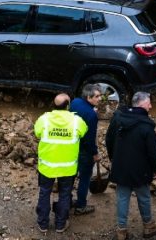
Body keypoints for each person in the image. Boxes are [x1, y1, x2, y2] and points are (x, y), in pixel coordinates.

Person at [105, 92, 156, 240]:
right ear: (142, 104)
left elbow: (108, 139)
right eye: (149, 103)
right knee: (144, 197)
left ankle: (121, 231)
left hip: (121, 167)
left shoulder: (118, 119)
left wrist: (114, 158)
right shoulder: (146, 126)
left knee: (122, 198)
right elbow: (153, 152)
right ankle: (149, 226)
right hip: (141, 170)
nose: (151, 106)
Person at [34, 93, 88, 233]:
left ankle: (43, 224)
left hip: (47, 167)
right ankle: (60, 224)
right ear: (68, 106)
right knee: (64, 195)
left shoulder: (44, 119)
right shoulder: (77, 121)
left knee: (44, 193)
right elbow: (84, 131)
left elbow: (37, 133)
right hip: (67, 168)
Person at [70, 84, 103, 215]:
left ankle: (67, 201)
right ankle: (81, 206)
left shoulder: (75, 102)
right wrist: (95, 153)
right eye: (97, 96)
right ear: (89, 97)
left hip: (71, 146)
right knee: (84, 178)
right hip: (84, 151)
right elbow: (90, 138)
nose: (100, 99)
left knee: (70, 176)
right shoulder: (91, 115)